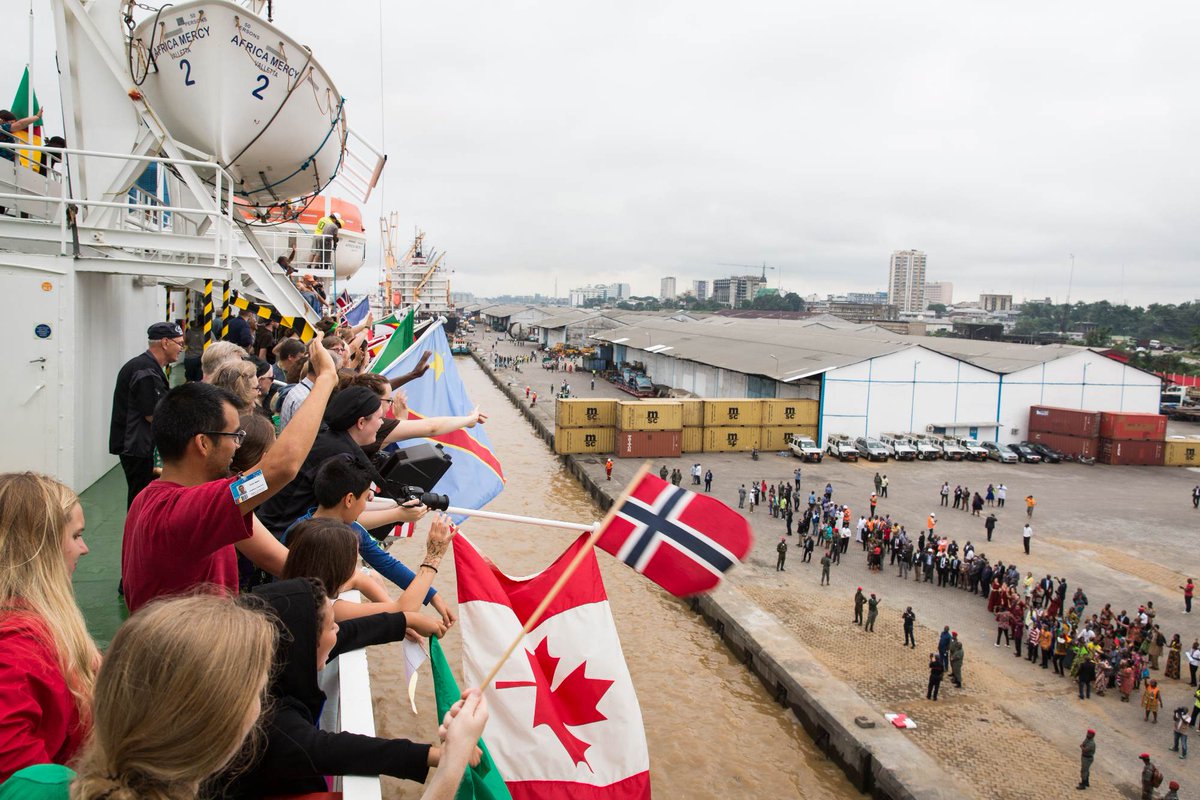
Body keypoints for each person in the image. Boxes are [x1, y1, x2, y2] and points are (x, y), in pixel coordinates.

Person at [120, 336, 337, 612]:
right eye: (234, 436)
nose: (238, 445)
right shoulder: (191, 508)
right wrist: (326, 379)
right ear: (203, 443)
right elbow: (282, 467)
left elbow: (277, 559)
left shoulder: (152, 500)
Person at [220, 578, 467, 797]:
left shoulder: (267, 666)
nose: (338, 629)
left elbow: (349, 633)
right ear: (304, 646)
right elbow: (336, 749)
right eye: (332, 626)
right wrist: (432, 755)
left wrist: (405, 621)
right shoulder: (269, 722)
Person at [0, 473, 100, 783]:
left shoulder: (35, 627)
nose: (84, 548)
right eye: (75, 536)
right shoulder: (19, 649)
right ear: (41, 547)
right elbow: (22, 779)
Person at [108, 322, 180, 507]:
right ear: (165, 342)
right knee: (141, 499)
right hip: (137, 446)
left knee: (143, 497)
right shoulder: (145, 371)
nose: (181, 349)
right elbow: (153, 414)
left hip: (139, 444)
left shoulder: (146, 366)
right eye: (179, 343)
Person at [183, 317, 205, 381]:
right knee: (198, 380)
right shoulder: (207, 332)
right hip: (201, 358)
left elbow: (185, 342)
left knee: (189, 378)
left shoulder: (189, 331)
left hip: (189, 358)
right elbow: (214, 343)